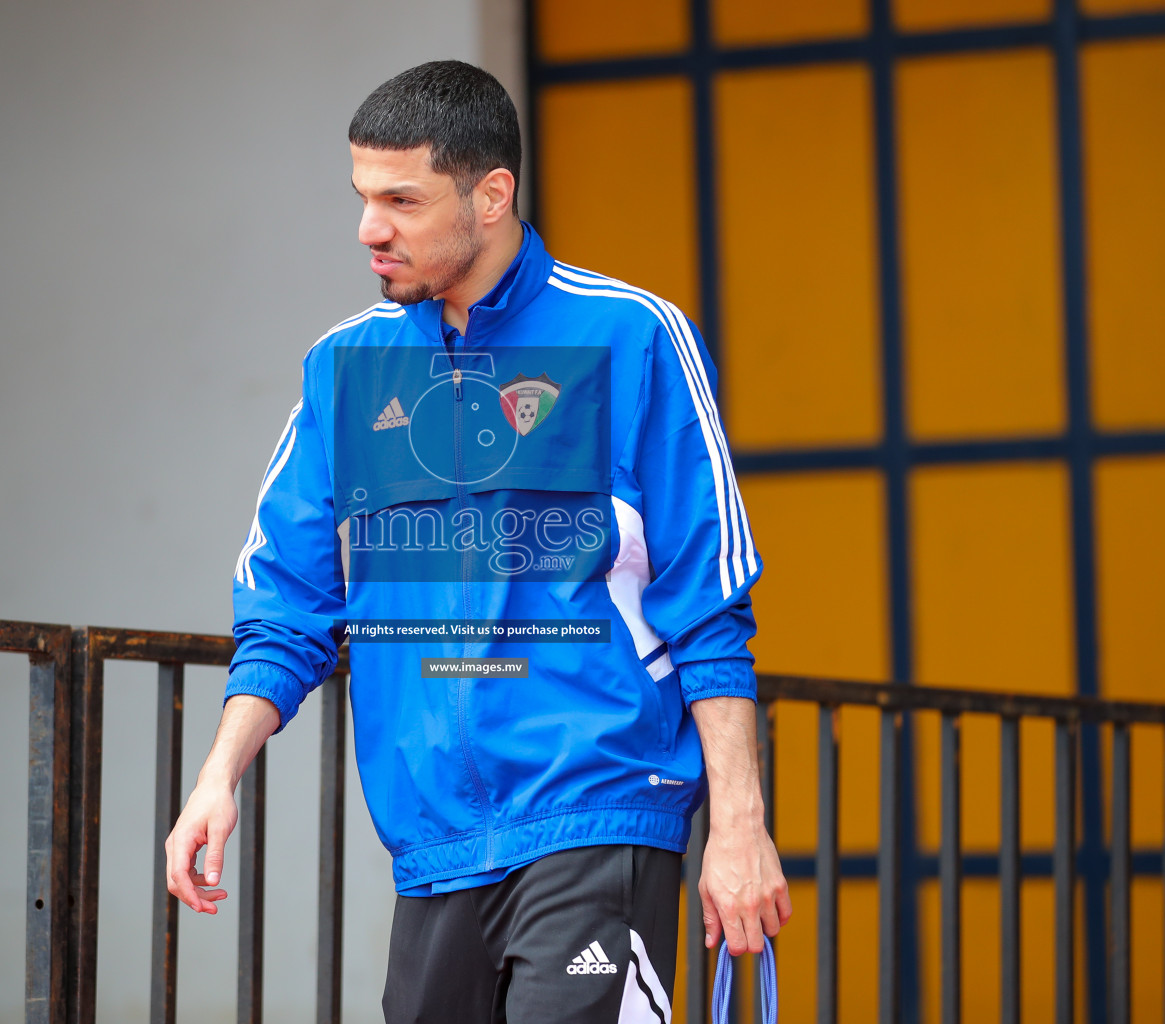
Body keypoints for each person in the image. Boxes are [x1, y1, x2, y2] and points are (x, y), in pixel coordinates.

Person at [165, 60, 790, 1023]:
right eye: (364, 197)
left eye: (403, 201)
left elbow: (707, 606)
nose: (371, 229)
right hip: (433, 846)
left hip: (598, 813)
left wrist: (738, 828)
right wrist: (218, 776)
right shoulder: (347, 368)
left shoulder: (631, 338)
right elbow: (289, 605)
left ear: (491, 195)